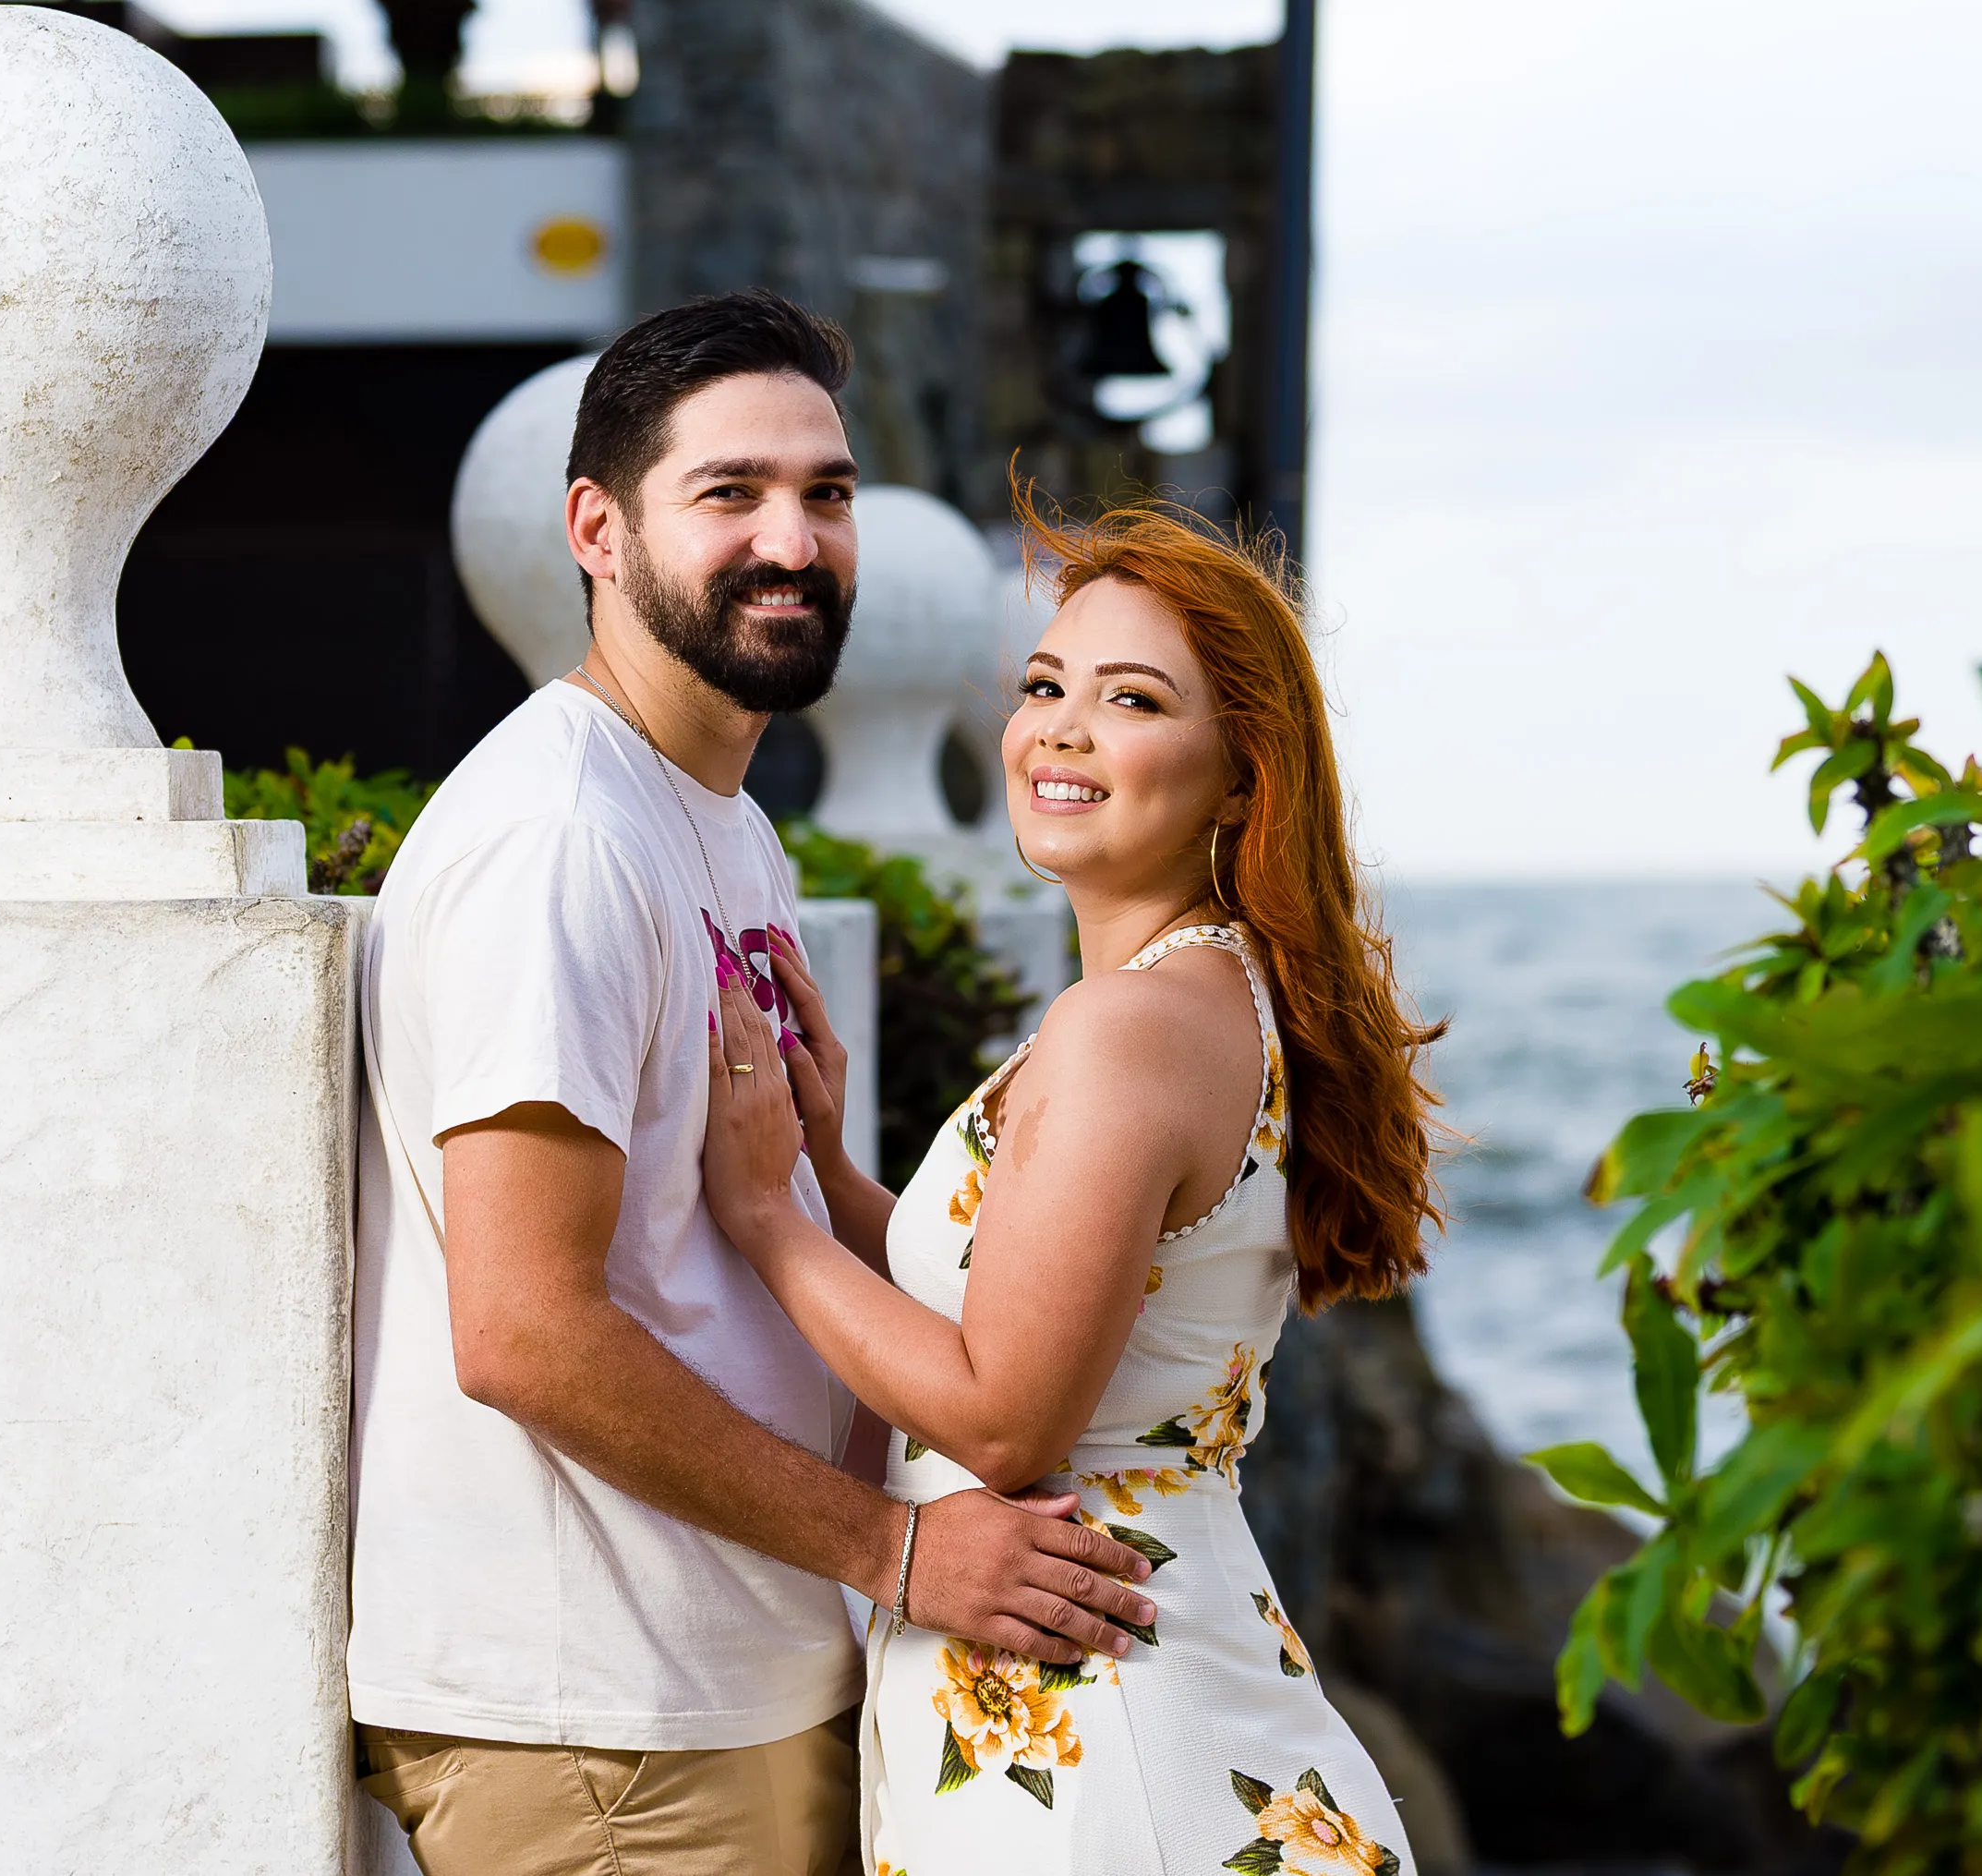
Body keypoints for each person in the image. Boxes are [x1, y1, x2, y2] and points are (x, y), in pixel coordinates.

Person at [348, 290, 1158, 1876]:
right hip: (602, 1720)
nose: (792, 541)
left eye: (825, 493)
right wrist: (902, 1552)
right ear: (596, 529)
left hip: (723, 1673)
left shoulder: (720, 819)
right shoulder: (560, 841)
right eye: (729, 492)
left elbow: (697, 1245)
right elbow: (521, 1328)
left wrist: (822, 1176)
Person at [700, 497, 1449, 1874]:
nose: (1062, 729)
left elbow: (1004, 1418)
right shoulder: (1201, 996)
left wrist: (764, 1222)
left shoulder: (1132, 1027)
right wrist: (828, 1178)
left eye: (1133, 699)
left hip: (1097, 1722)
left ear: (1243, 777)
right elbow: (1027, 1303)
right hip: (1129, 1678)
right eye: (1046, 685)